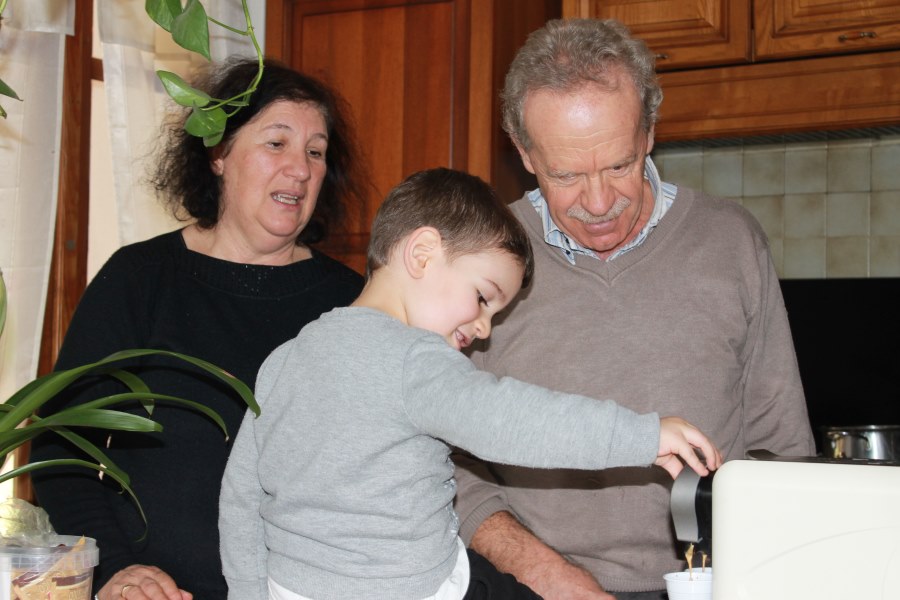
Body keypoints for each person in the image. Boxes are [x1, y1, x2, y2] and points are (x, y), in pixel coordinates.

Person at [218, 167, 722, 600]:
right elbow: (519, 421)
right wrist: (646, 435)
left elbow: (241, 497)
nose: (483, 329)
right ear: (422, 254)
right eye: (483, 298)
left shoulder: (283, 359)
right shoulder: (417, 359)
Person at [452, 18, 817, 600]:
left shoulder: (732, 242)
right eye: (566, 174)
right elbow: (446, 464)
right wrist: (547, 575)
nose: (597, 203)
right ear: (524, 152)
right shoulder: (478, 264)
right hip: (535, 588)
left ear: (649, 132)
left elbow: (783, 447)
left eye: (618, 165)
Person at [29, 57, 369, 600]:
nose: (301, 169)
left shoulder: (354, 303)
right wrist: (117, 567)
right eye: (276, 143)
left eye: (316, 151)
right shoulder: (139, 278)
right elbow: (59, 448)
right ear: (218, 154)